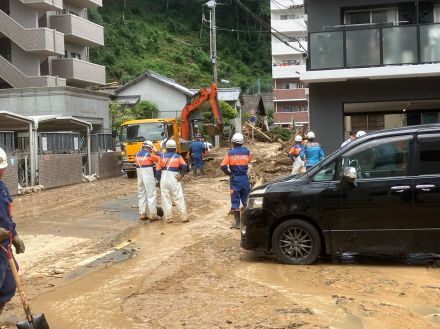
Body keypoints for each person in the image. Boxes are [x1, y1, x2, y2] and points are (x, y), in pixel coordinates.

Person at [0, 147, 25, 315]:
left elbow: (7, 215)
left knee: (9, 284)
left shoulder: (1, 187)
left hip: (3, 246)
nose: (2, 171)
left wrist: (14, 235)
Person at [220, 133, 252, 229]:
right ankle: (248, 222)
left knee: (235, 201)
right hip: (245, 179)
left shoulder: (230, 153)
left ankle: (238, 223)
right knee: (247, 200)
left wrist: (229, 174)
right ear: (242, 142)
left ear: (233, 142)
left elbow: (223, 166)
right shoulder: (247, 151)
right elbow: (249, 161)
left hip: (235, 179)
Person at [156, 139, 189, 223]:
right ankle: (184, 217)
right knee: (178, 197)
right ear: (175, 148)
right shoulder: (178, 156)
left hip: (164, 177)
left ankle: (168, 219)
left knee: (166, 199)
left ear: (166, 148)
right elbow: (185, 166)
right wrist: (181, 175)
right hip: (174, 177)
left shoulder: (161, 157)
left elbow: (157, 171)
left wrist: (159, 182)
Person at [135, 140, 161, 221]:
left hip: (140, 177)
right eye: (151, 149)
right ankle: (153, 215)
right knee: (151, 195)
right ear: (150, 148)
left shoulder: (137, 155)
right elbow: (161, 158)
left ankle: (142, 213)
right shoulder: (150, 155)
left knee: (141, 194)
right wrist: (156, 152)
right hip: (148, 177)